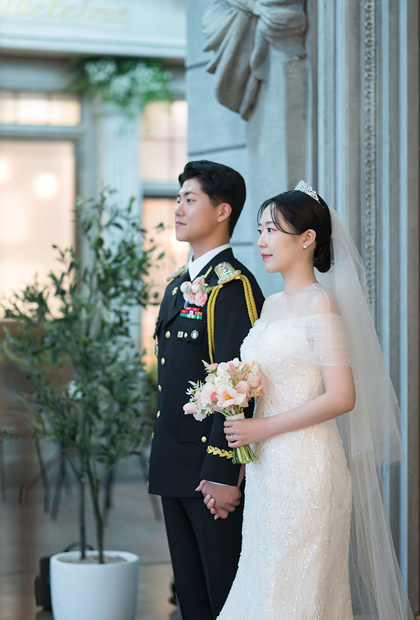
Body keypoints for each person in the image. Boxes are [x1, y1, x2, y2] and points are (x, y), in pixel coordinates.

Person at [206, 182, 414, 620]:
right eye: (260, 230)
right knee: (265, 585)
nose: (261, 242)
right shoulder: (271, 306)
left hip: (307, 469)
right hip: (266, 469)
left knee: (297, 594)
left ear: (307, 238)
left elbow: (342, 396)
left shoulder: (321, 304)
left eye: (272, 230)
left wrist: (261, 428)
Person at [148, 160, 264, 620]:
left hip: (208, 473)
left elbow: (241, 385)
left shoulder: (233, 287)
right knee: (191, 598)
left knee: (223, 596)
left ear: (222, 211)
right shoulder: (179, 285)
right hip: (173, 463)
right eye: (178, 199)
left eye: (189, 200)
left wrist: (223, 471)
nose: (178, 209)